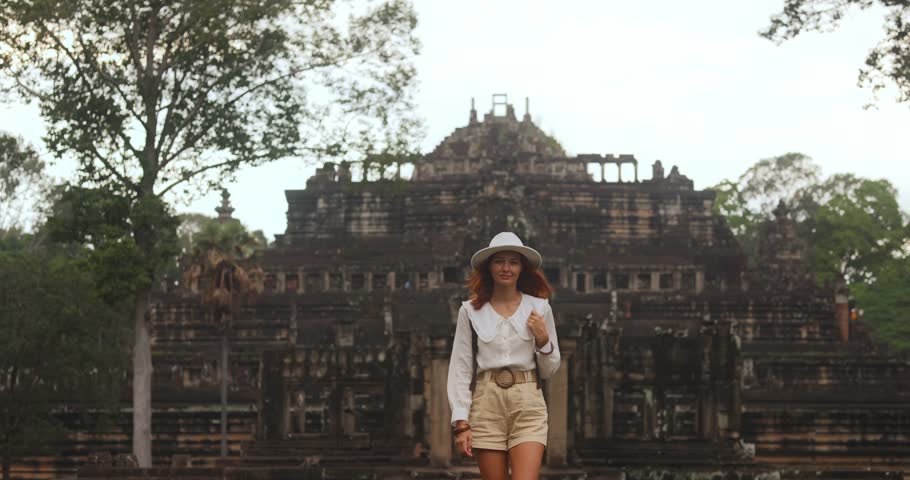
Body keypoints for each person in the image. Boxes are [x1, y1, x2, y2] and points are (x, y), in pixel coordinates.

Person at [446, 232, 561, 480]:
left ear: (522, 268)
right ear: (489, 267)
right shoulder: (470, 310)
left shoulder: (540, 308)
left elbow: (550, 369)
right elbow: (461, 367)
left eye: (513, 261)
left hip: (528, 402)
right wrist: (461, 422)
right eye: (499, 261)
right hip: (487, 403)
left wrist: (542, 340)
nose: (506, 268)